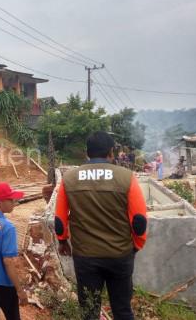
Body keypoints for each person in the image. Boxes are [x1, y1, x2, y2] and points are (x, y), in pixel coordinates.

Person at [55, 131, 147, 320]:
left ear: (86, 152)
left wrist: (63, 241)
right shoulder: (127, 177)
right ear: (111, 152)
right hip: (120, 255)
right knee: (122, 309)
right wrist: (135, 246)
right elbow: (139, 220)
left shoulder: (69, 178)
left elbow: (59, 220)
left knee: (89, 311)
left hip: (86, 257)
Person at [0, 182, 27, 320]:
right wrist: (20, 290)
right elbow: (8, 261)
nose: (14, 202)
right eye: (10, 200)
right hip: (3, 283)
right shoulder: (7, 227)